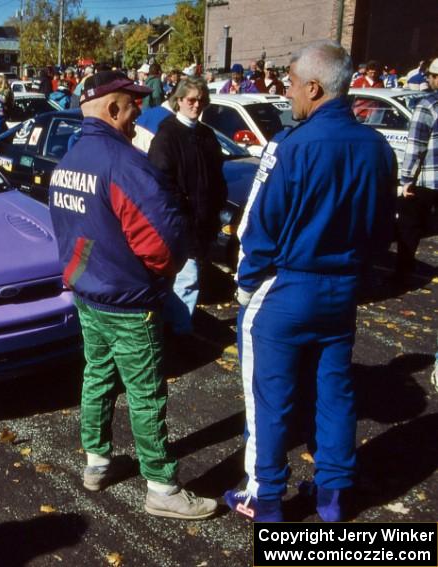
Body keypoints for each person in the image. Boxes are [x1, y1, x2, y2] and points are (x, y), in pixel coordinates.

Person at [224, 41, 396, 522]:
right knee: (335, 393)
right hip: (341, 290)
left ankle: (267, 500)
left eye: (294, 83)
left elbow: (261, 224)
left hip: (286, 287)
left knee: (270, 397)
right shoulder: (377, 147)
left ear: (315, 87)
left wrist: (246, 281)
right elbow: (383, 227)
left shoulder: (291, 146)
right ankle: (333, 496)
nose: (290, 92)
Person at [49, 70, 217, 520]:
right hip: (128, 300)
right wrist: (160, 278)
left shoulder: (69, 161)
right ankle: (161, 486)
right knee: (145, 394)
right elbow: (163, 240)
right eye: (131, 105)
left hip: (89, 294)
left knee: (97, 377)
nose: (138, 113)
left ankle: (96, 462)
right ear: (111, 109)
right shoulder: (123, 164)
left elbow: (70, 232)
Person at [148, 77, 227, 335]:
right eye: (191, 100)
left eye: (201, 100)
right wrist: (179, 217)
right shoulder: (167, 135)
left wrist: (216, 211)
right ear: (179, 100)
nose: (196, 105)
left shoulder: (206, 134)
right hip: (180, 224)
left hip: (203, 222)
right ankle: (180, 333)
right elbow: (160, 182)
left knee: (186, 280)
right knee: (187, 280)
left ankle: (175, 327)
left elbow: (217, 177)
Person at [394, 57, 438, 283]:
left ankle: (403, 272)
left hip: (428, 179)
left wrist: (406, 179)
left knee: (409, 225)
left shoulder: (427, 104)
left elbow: (416, 146)